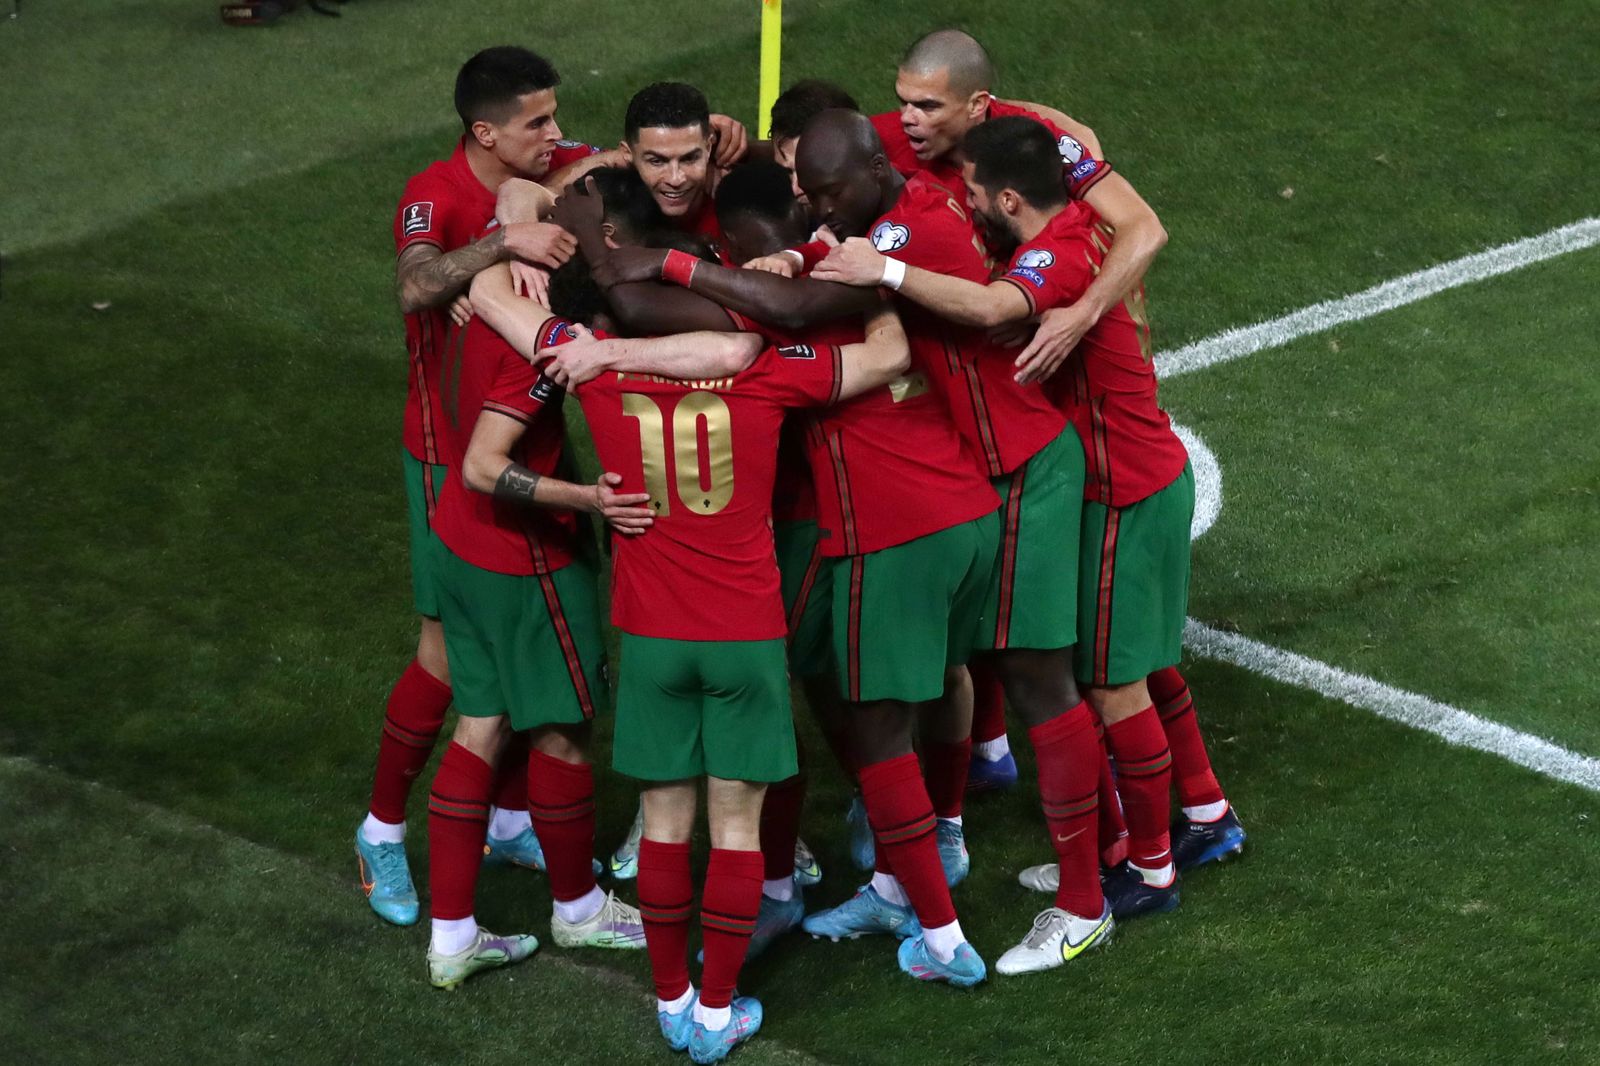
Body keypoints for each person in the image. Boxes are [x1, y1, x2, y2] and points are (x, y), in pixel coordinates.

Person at [472, 255, 917, 1056]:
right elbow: (890, 358)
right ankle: (717, 1011)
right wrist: (876, 288)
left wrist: (593, 339)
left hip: (651, 637)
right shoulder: (765, 372)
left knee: (667, 829)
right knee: (738, 830)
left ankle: (671, 996)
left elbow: (481, 288)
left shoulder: (591, 374)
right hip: (745, 637)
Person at [817, 115, 1243, 922]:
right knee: (1121, 670)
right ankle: (1189, 822)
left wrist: (889, 269)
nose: (965, 203)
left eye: (974, 192)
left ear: (1007, 196)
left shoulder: (1060, 250)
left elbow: (987, 307)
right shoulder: (1070, 236)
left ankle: (1149, 870)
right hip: (1105, 479)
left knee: (1114, 684)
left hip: (1123, 485)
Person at [358, 45, 593, 926]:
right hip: (442, 455)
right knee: (451, 660)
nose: (556, 134)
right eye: (538, 122)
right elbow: (416, 282)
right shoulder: (430, 191)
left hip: (521, 439)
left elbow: (610, 161)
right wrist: (501, 242)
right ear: (484, 132)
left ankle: (508, 818)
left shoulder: (544, 163)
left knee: (528, 653)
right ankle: (381, 831)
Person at [415, 189, 657, 984]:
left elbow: (487, 261)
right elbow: (490, 465)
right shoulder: (544, 358)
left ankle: (452, 937)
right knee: (563, 730)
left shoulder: (482, 296)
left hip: (455, 541)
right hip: (520, 559)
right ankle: (580, 910)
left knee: (481, 724)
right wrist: (590, 501)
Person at [873, 29, 1168, 385]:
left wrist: (1080, 313)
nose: (906, 117)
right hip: (979, 346)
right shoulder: (885, 138)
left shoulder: (1033, 142)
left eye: (927, 106)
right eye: (903, 101)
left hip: (1060, 337)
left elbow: (1144, 227)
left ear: (976, 105)